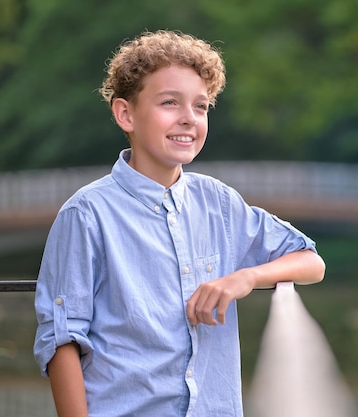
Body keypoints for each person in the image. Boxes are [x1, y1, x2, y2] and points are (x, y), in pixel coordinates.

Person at [33, 30, 325, 417]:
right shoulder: (86, 215)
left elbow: (310, 261)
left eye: (201, 106)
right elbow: (61, 341)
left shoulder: (218, 203)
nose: (188, 118)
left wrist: (245, 278)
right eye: (170, 103)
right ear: (126, 114)